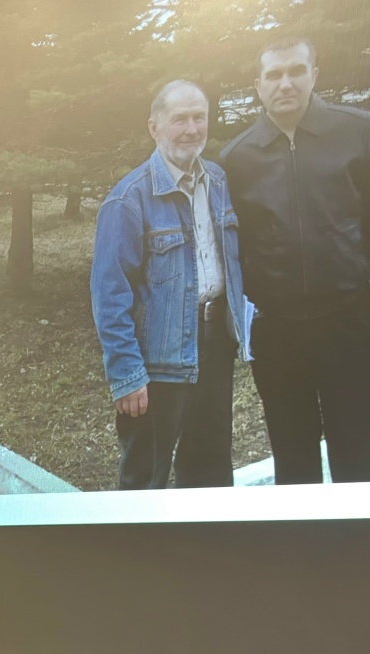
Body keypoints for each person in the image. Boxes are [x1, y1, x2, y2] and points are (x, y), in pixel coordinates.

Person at [219, 38, 370, 484]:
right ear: (257, 86)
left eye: (296, 71)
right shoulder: (238, 157)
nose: (285, 83)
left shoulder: (356, 130)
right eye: (273, 75)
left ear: (314, 75)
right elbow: (236, 245)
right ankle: (303, 543)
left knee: (360, 438)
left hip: (347, 317)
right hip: (278, 329)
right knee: (292, 446)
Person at [91, 79, 250, 490]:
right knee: (146, 475)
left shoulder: (217, 180)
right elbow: (110, 295)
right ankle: (140, 553)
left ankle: (201, 549)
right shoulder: (128, 200)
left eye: (200, 118)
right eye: (179, 119)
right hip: (157, 357)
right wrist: (127, 375)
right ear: (154, 127)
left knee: (210, 468)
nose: (192, 129)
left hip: (215, 343)